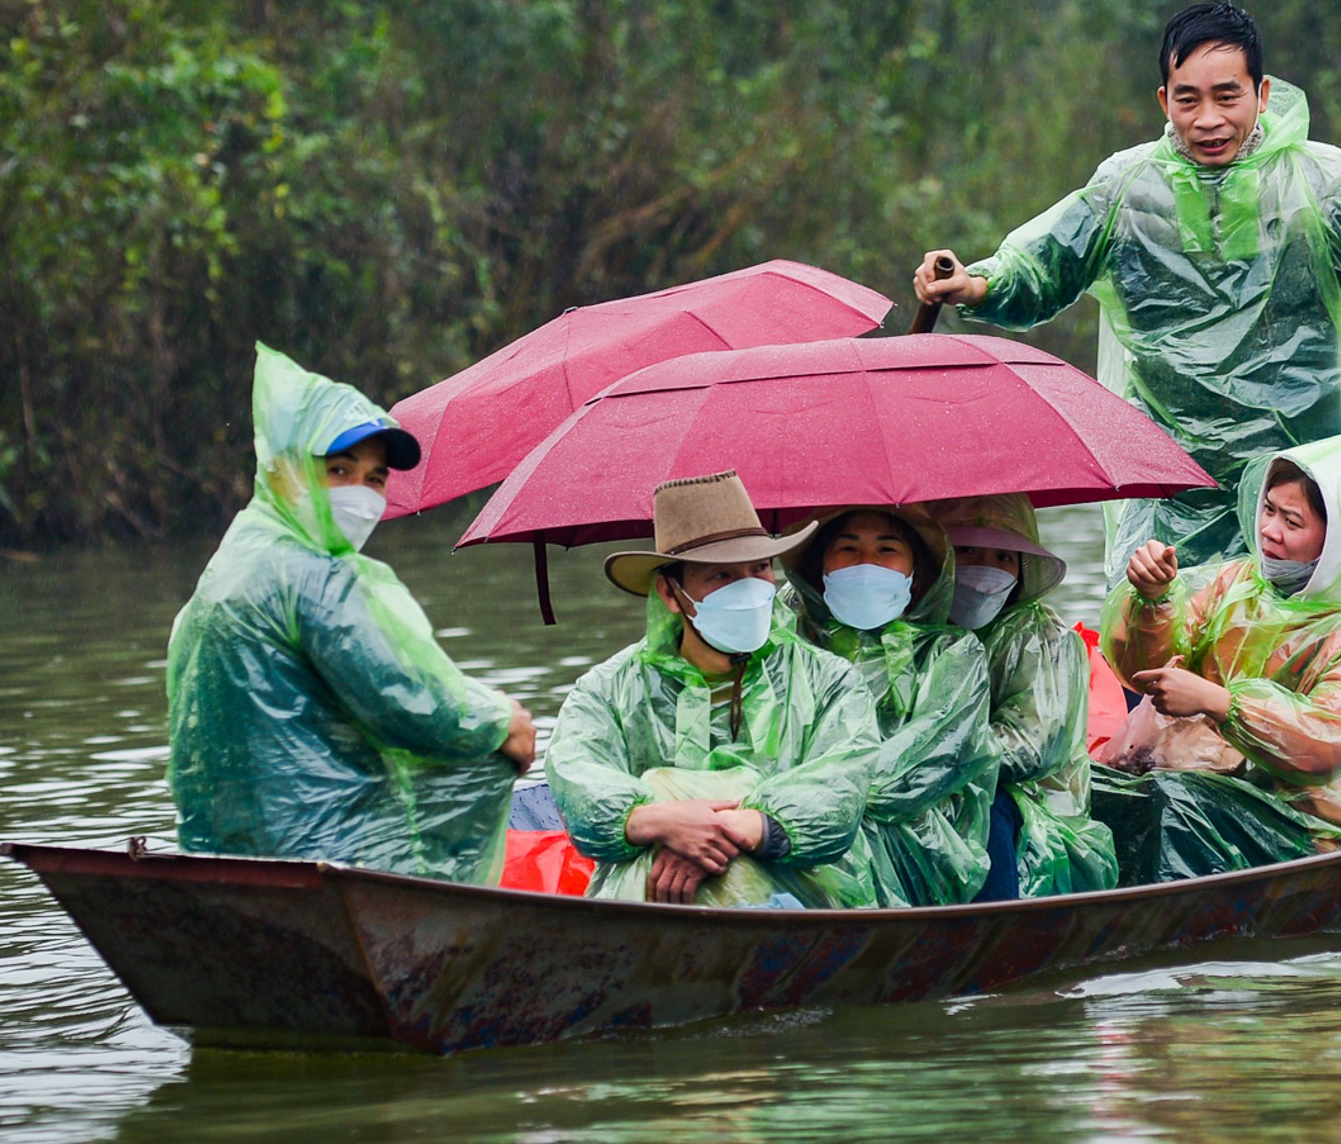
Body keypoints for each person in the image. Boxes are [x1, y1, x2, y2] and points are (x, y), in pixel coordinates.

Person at [913, 0, 1341, 576]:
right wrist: (977, 283)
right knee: (1157, 635)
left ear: (1261, 94)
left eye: (1227, 96)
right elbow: (1042, 264)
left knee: (1288, 643)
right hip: (1169, 488)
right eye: (1188, 99)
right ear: (1165, 101)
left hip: (1294, 490)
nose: (1208, 119)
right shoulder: (1129, 191)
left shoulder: (1320, 183)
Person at [167, 343, 537, 885]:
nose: (360, 494)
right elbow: (410, 703)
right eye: (339, 470)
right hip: (326, 848)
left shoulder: (232, 562)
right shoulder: (315, 574)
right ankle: (436, 898)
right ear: (283, 474)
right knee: (491, 751)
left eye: (374, 478)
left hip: (222, 848)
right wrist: (503, 719)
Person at [545, 471, 882, 908]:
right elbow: (578, 780)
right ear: (671, 593)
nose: (749, 589)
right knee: (658, 786)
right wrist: (657, 821)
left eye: (760, 568)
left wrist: (742, 830)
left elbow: (840, 791)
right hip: (652, 894)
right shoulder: (607, 689)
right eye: (722, 576)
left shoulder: (830, 681)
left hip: (806, 893)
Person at [1094, 424, 1341, 882]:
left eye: (1291, 521)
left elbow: (1327, 745)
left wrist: (1218, 702)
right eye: (1267, 510)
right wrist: (1154, 600)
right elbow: (1142, 669)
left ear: (1339, 537)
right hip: (1204, 785)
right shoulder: (1233, 584)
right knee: (1096, 789)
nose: (1268, 531)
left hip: (1304, 827)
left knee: (1170, 804)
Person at [781, 506, 1000, 906]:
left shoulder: (953, 653)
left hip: (918, 840)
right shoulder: (786, 648)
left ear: (915, 575)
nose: (866, 565)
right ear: (821, 569)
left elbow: (913, 772)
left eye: (886, 551)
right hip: (787, 824)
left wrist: (786, 813)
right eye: (847, 549)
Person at [928, 494, 1119, 898]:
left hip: (1032, 812)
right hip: (929, 790)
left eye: (1003, 557)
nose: (985, 571)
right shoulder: (916, 630)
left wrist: (934, 759)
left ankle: (988, 924)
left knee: (984, 802)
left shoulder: (1043, 638)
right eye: (966, 551)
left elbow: (1031, 748)